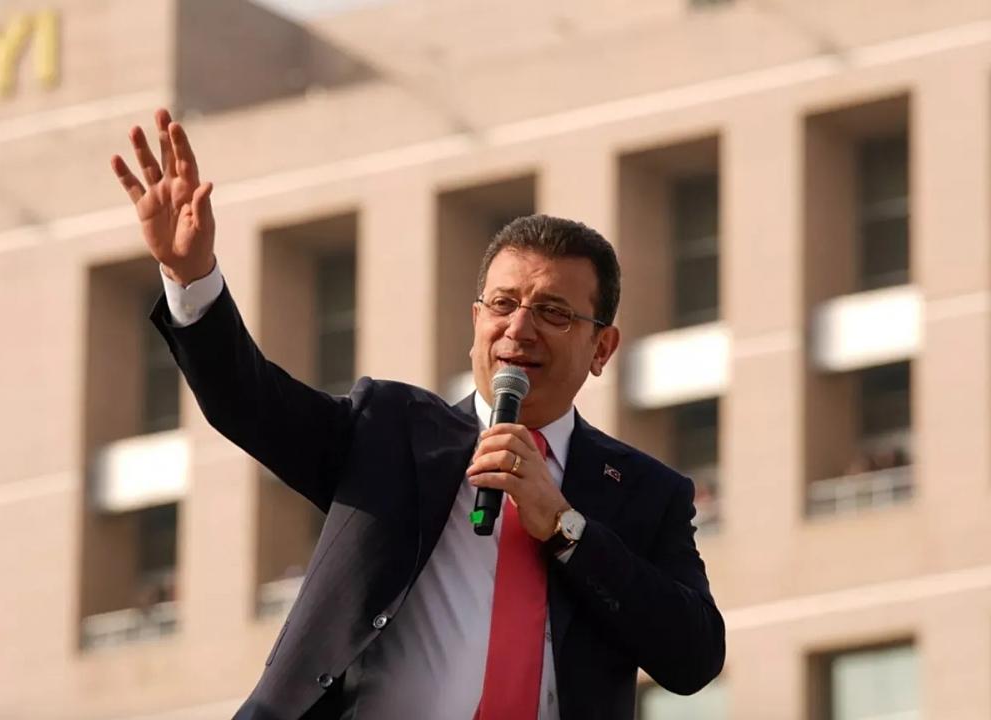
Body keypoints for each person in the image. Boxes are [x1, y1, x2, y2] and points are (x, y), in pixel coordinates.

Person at [109, 110, 725, 720]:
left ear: (602, 348)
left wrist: (566, 528)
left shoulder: (646, 493)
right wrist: (190, 277)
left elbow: (694, 658)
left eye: (553, 312)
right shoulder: (389, 431)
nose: (518, 328)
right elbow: (249, 402)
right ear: (476, 321)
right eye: (503, 304)